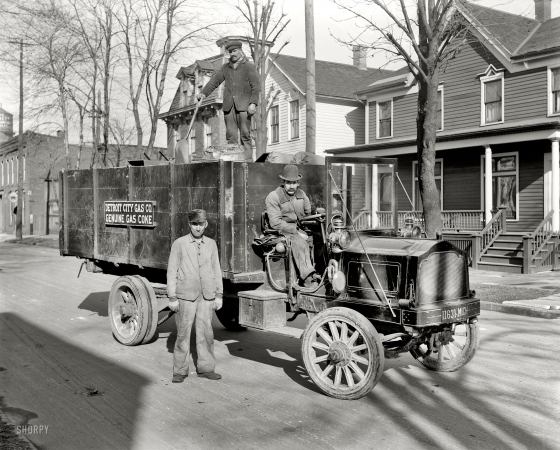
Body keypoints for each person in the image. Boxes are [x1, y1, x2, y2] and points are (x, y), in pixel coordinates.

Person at [167, 209, 223, 383]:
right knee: (183, 334)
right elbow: (172, 270)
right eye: (195, 224)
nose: (198, 228)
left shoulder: (211, 244)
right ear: (189, 224)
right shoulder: (179, 243)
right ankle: (180, 371)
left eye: (201, 224)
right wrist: (172, 297)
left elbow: (216, 270)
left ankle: (206, 368)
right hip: (185, 296)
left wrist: (218, 294)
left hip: (206, 296)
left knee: (206, 333)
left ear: (206, 224)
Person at [197, 40, 261, 162]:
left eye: (235, 51)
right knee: (231, 136)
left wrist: (253, 103)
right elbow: (214, 82)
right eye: (230, 52)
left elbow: (256, 86)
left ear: (241, 51)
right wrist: (203, 93)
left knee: (245, 135)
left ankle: (247, 162)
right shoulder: (225, 68)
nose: (232, 54)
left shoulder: (249, 67)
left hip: (244, 107)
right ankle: (234, 163)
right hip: (228, 107)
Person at [265, 164, 320, 287]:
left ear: (298, 183)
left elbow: (308, 214)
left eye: (294, 183)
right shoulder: (273, 197)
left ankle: (323, 272)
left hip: (299, 230)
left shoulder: (302, 195)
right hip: (281, 231)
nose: (292, 186)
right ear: (283, 181)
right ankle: (308, 279)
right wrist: (296, 231)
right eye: (288, 183)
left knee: (322, 238)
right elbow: (275, 223)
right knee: (299, 241)